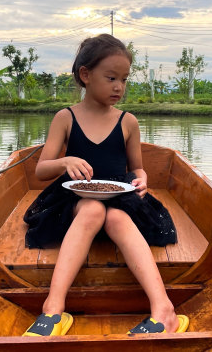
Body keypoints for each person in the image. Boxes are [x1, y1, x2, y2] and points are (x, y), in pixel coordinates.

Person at [21, 34, 189, 337]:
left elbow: (136, 167)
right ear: (86, 75)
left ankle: (164, 311)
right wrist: (64, 162)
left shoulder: (128, 122)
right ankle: (53, 309)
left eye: (124, 79)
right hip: (72, 203)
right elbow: (41, 169)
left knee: (114, 216)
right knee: (92, 209)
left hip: (120, 199)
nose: (118, 87)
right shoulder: (65, 118)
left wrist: (142, 178)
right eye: (111, 77)